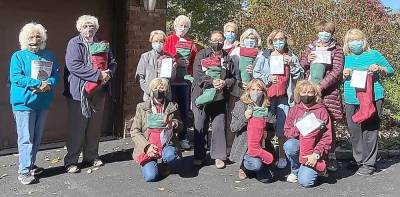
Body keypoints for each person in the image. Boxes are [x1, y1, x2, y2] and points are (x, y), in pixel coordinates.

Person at [63, 15, 117, 173]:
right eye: (85, 26)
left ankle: (91, 157)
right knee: (77, 127)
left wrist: (109, 74)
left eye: (92, 25)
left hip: (99, 91)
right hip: (79, 92)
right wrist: (97, 75)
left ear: (97, 27)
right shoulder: (74, 43)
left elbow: (113, 62)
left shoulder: (102, 43)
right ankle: (71, 160)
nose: (89, 28)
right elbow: (73, 65)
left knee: (94, 126)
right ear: (79, 28)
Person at [10, 22, 60, 184]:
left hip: (42, 102)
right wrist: (38, 84)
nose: (35, 39)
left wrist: (49, 83)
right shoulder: (18, 56)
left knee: (37, 137)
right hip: (23, 103)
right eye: (31, 36)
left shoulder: (49, 55)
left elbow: (56, 74)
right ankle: (23, 171)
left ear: (42, 38)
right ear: (25, 39)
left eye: (38, 36)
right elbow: (15, 77)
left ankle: (30, 165)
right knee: (26, 138)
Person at [342, 28, 394, 176]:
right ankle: (360, 160)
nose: (355, 43)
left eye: (357, 40)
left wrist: (380, 68)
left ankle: (369, 163)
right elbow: (338, 77)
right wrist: (344, 74)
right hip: (352, 98)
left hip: (373, 96)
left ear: (363, 41)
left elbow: (391, 71)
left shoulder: (374, 54)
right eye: (351, 41)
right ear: (347, 43)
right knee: (354, 130)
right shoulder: (345, 57)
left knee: (370, 130)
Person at [253, 30, 304, 169]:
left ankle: (282, 156)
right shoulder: (264, 55)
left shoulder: (291, 56)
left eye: (281, 39)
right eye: (276, 39)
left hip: (284, 98)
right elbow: (255, 74)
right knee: (263, 126)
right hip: (267, 97)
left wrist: (292, 65)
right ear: (271, 40)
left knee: (283, 129)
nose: (278, 42)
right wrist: (267, 78)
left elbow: (300, 77)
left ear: (286, 40)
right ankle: (265, 154)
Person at [300, 21, 344, 171]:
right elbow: (301, 66)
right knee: (311, 122)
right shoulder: (310, 47)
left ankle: (330, 156)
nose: (324, 34)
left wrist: (321, 86)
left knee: (328, 124)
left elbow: (337, 71)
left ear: (332, 33)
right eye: (321, 31)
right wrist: (307, 60)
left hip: (328, 94)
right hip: (309, 92)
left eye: (327, 31)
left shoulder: (336, 49)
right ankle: (311, 155)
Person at [192, 31, 238, 169]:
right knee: (200, 125)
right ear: (209, 41)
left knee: (219, 126)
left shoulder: (228, 58)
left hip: (220, 97)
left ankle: (219, 156)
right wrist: (212, 81)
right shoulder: (202, 54)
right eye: (214, 39)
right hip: (202, 96)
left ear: (223, 41)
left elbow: (234, 77)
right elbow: (197, 74)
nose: (217, 42)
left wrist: (225, 83)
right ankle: (199, 155)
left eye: (219, 40)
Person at [131, 78, 183, 182]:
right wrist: (147, 146)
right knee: (151, 177)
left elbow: (181, 126)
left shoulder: (172, 106)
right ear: (151, 90)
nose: (159, 92)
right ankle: (149, 163)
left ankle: (164, 163)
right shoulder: (142, 107)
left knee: (171, 156)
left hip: (165, 143)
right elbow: (134, 131)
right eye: (155, 89)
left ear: (166, 91)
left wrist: (173, 123)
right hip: (149, 144)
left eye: (162, 89)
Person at [284, 80, 333, 187]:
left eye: (310, 92)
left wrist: (316, 154)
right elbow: (287, 132)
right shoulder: (294, 110)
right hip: (300, 146)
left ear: (315, 94)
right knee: (289, 145)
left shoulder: (322, 111)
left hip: (314, 151)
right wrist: (300, 127)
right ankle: (296, 170)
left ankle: (318, 169)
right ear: (298, 93)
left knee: (306, 182)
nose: (306, 95)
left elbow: (327, 137)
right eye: (303, 92)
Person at [229, 79, 274, 183]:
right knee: (256, 165)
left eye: (259, 90)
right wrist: (244, 118)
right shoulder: (241, 104)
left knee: (268, 178)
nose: (256, 92)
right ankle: (244, 165)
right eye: (253, 89)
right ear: (248, 90)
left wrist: (268, 134)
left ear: (263, 92)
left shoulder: (266, 106)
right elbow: (233, 128)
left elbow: (272, 128)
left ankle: (258, 167)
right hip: (246, 146)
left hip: (262, 145)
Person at [163, 15, 198, 149]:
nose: (182, 28)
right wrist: (176, 62)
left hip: (184, 82)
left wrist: (188, 65)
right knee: (170, 109)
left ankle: (183, 137)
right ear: (175, 25)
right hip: (170, 81)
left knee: (183, 110)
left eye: (185, 26)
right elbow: (165, 56)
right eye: (180, 25)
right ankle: (170, 138)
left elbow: (195, 61)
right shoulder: (169, 40)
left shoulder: (190, 43)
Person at [136, 30, 175, 101]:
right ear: (151, 42)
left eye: (161, 41)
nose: (158, 43)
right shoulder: (145, 57)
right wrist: (150, 91)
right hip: (149, 97)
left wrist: (173, 68)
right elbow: (140, 78)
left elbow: (171, 79)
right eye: (156, 41)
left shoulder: (168, 57)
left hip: (165, 96)